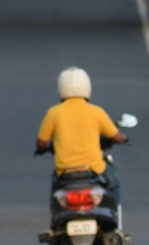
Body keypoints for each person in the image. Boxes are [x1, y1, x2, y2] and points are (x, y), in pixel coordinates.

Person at [36, 67, 127, 216]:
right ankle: (114, 216)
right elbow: (116, 137)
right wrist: (124, 138)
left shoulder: (54, 113)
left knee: (55, 186)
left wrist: (42, 148)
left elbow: (42, 142)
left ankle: (55, 218)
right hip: (94, 169)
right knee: (114, 183)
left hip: (65, 172)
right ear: (87, 87)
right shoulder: (96, 111)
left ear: (61, 88)